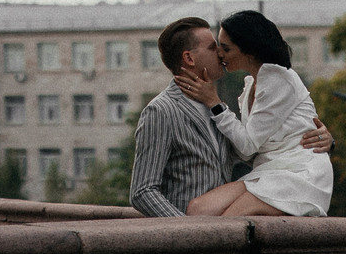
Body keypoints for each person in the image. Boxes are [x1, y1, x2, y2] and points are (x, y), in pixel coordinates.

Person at [130, 15, 332, 219]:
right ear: (189, 58)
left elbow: (251, 145)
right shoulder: (162, 111)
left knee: (229, 226)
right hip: (189, 224)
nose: (219, 54)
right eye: (213, 48)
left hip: (279, 180)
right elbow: (142, 191)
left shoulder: (215, 103)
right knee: (214, 219)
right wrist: (184, 231)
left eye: (224, 48)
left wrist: (324, 141)